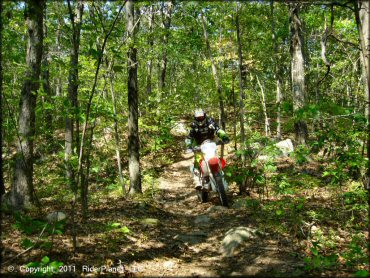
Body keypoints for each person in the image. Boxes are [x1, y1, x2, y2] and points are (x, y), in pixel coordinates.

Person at [185, 108, 229, 189]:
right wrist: (189, 147)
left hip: (211, 143)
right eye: (198, 118)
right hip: (198, 145)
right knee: (198, 161)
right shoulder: (194, 127)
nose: (200, 119)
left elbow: (218, 130)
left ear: (204, 116)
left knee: (216, 157)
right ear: (195, 118)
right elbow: (188, 138)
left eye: (201, 117)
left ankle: (221, 174)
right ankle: (197, 181)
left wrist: (224, 137)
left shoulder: (210, 123)